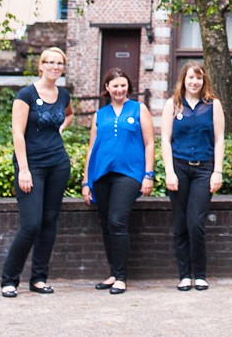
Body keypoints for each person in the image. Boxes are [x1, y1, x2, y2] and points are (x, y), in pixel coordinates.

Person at [0, 46, 74, 298]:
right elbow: (17, 133)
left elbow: (69, 115)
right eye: (50, 62)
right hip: (31, 166)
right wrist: (23, 169)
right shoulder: (26, 95)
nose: (55, 67)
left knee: (49, 223)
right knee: (31, 224)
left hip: (58, 164)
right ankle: (9, 279)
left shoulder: (63, 95)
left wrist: (60, 130)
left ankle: (39, 279)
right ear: (40, 65)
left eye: (59, 63)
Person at [81, 68, 155, 295]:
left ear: (128, 87)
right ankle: (113, 272)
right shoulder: (99, 115)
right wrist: (86, 181)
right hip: (101, 175)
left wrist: (148, 174)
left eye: (123, 85)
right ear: (107, 88)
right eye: (115, 86)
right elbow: (92, 148)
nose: (119, 89)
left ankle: (122, 277)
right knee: (106, 224)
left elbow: (149, 142)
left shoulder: (139, 109)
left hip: (130, 174)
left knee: (117, 220)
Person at [161, 61, 226, 291]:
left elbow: (219, 139)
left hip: (203, 170)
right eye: (190, 77)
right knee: (179, 224)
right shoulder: (173, 104)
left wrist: (217, 170)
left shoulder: (213, 105)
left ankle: (199, 274)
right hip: (179, 168)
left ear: (204, 80)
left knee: (195, 222)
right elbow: (165, 141)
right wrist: (169, 171)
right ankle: (184, 275)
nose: (194, 81)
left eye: (198, 78)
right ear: (183, 80)